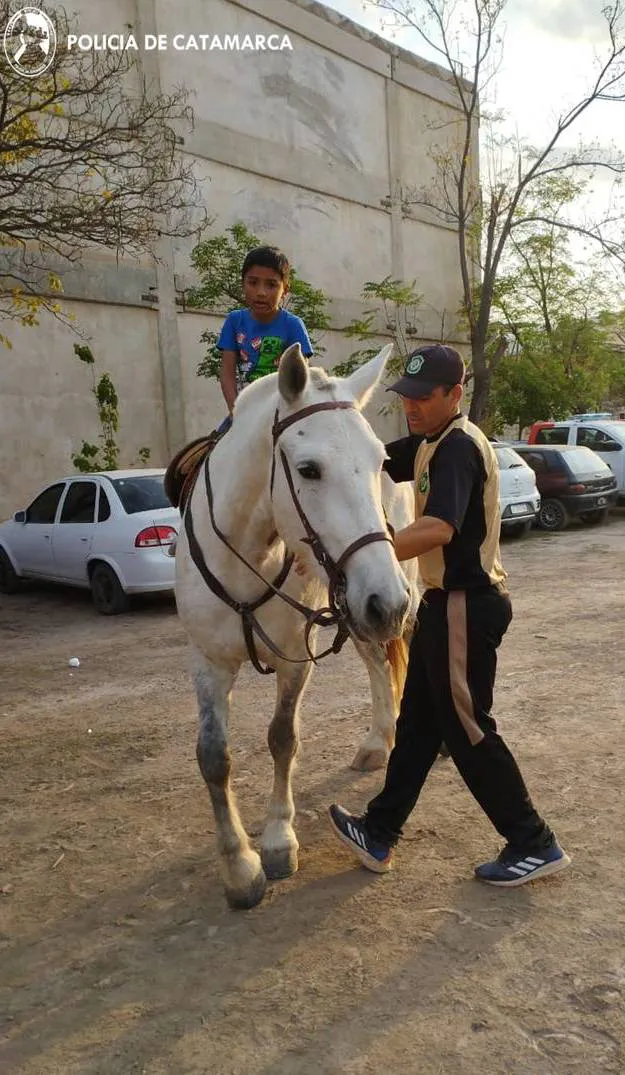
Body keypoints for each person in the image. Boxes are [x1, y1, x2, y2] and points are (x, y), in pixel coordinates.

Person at [329, 344, 571, 887]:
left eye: (423, 396)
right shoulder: (428, 441)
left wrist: (370, 551)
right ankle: (380, 830)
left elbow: (440, 527)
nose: (410, 406)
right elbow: (366, 458)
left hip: (466, 603)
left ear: (454, 394)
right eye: (406, 396)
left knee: (467, 728)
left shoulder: (457, 447)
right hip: (441, 604)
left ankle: (533, 841)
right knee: (417, 724)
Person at [215, 245, 313, 432]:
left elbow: (301, 377)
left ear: (285, 290)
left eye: (271, 285)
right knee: (213, 445)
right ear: (243, 284)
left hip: (283, 412)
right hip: (245, 409)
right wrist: (236, 411)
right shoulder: (234, 321)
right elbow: (227, 373)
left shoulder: (293, 325)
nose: (261, 292)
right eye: (253, 283)